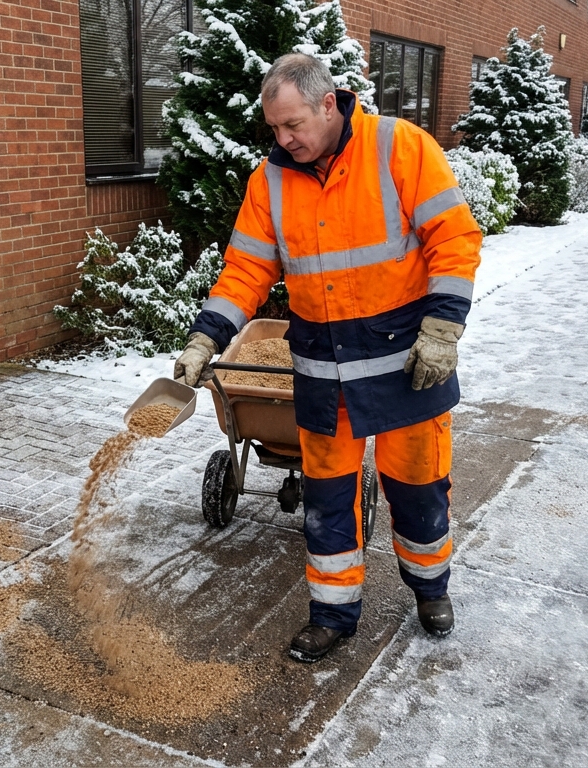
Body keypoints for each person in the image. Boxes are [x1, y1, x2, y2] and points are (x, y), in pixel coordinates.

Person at [173, 53, 482, 663]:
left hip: (406, 364)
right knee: (328, 500)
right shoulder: (271, 180)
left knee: (420, 486)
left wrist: (443, 328)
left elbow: (454, 238)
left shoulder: (399, 148)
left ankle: (430, 590)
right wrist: (206, 337)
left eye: (293, 125)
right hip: (322, 368)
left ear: (328, 104)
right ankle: (333, 614)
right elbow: (246, 270)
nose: (284, 140)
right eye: (275, 130)